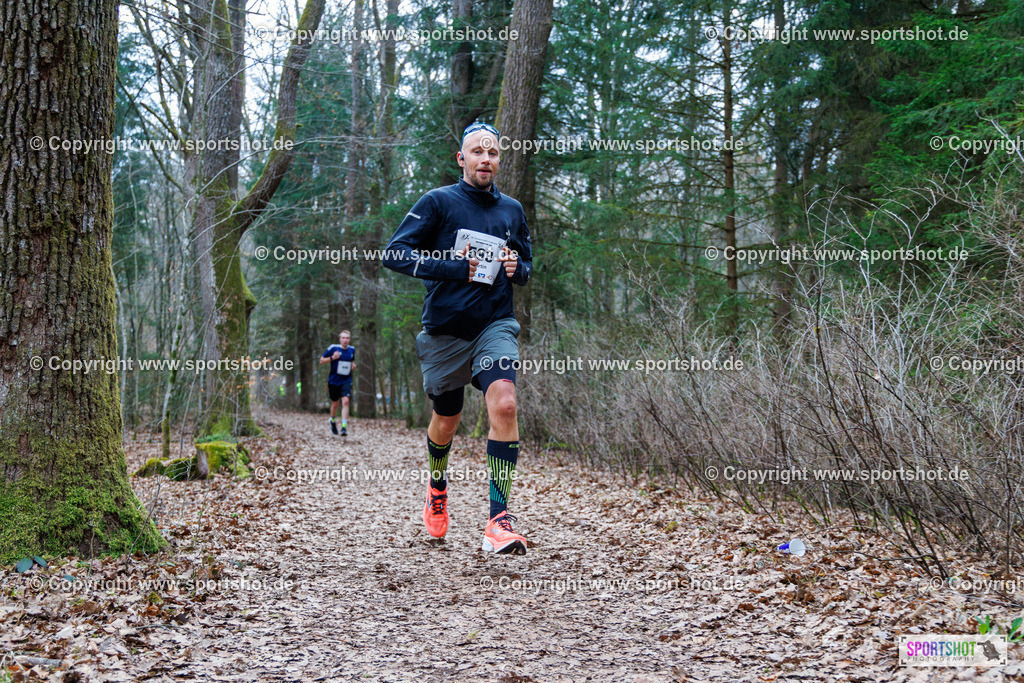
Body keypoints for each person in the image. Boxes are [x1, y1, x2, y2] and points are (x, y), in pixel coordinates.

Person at [382, 121, 533, 555]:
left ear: (500, 159)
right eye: (477, 152)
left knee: (504, 400)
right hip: (445, 331)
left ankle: (498, 520)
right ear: (461, 158)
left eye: (494, 153)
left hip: (494, 324)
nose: (486, 159)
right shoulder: (438, 202)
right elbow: (395, 253)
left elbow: (525, 264)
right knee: (446, 420)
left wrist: (515, 269)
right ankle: (437, 485)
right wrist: (450, 266)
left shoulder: (513, 210)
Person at [319, 330, 355, 436]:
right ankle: (333, 421)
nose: (345, 340)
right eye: (343, 338)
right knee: (335, 404)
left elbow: (352, 360)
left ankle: (344, 427)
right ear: (340, 339)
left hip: (346, 379)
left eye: (347, 338)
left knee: (346, 401)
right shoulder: (333, 348)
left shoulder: (352, 349)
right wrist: (332, 358)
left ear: (349, 339)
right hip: (334, 380)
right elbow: (321, 360)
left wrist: (353, 365)